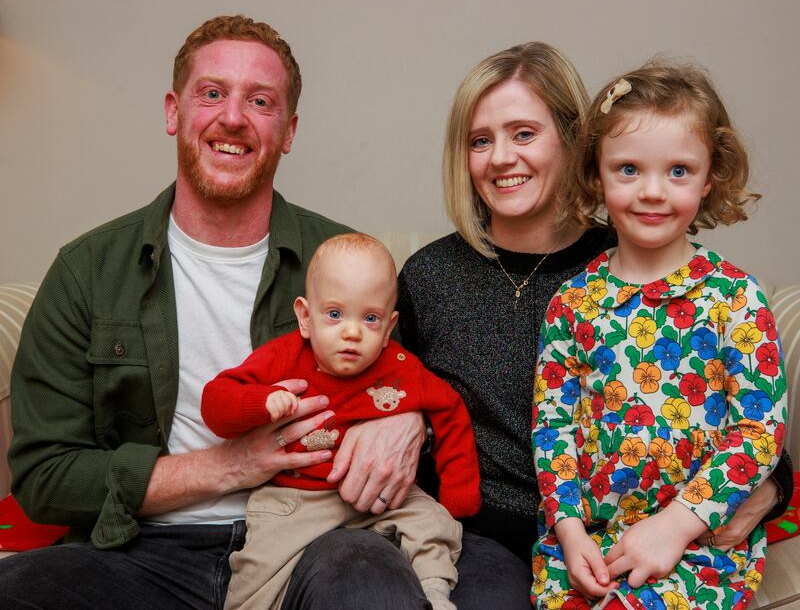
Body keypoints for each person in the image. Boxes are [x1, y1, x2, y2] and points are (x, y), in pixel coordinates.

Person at [0, 15, 432, 610]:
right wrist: (228, 466)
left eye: (260, 101)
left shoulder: (347, 263)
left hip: (316, 536)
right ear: (174, 112)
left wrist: (410, 422)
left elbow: (406, 388)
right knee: (22, 592)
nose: (233, 117)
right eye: (212, 94)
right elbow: (45, 476)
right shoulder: (88, 270)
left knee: (373, 587)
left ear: (288, 130)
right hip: (142, 548)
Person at [396, 43, 794, 609]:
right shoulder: (455, 280)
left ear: (572, 141)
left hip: (677, 539)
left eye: (524, 133)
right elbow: (385, 387)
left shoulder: (672, 261)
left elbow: (757, 429)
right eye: (480, 140)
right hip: (512, 539)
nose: (502, 157)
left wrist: (727, 505)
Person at [531, 62, 787, 610]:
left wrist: (676, 526)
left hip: (698, 541)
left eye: (678, 171)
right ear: (596, 175)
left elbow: (759, 432)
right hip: (587, 542)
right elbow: (553, 429)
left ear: (709, 175)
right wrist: (570, 531)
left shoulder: (734, 297)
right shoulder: (571, 303)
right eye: (628, 169)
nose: (652, 192)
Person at [202, 233, 479, 610]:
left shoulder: (400, 368)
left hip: (382, 497)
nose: (351, 332)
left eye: (370, 318)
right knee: (256, 572)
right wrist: (261, 402)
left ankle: (433, 593)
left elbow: (450, 411)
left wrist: (458, 494)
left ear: (388, 328)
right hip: (296, 499)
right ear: (305, 316)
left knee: (435, 526)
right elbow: (215, 403)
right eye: (334, 314)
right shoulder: (284, 358)